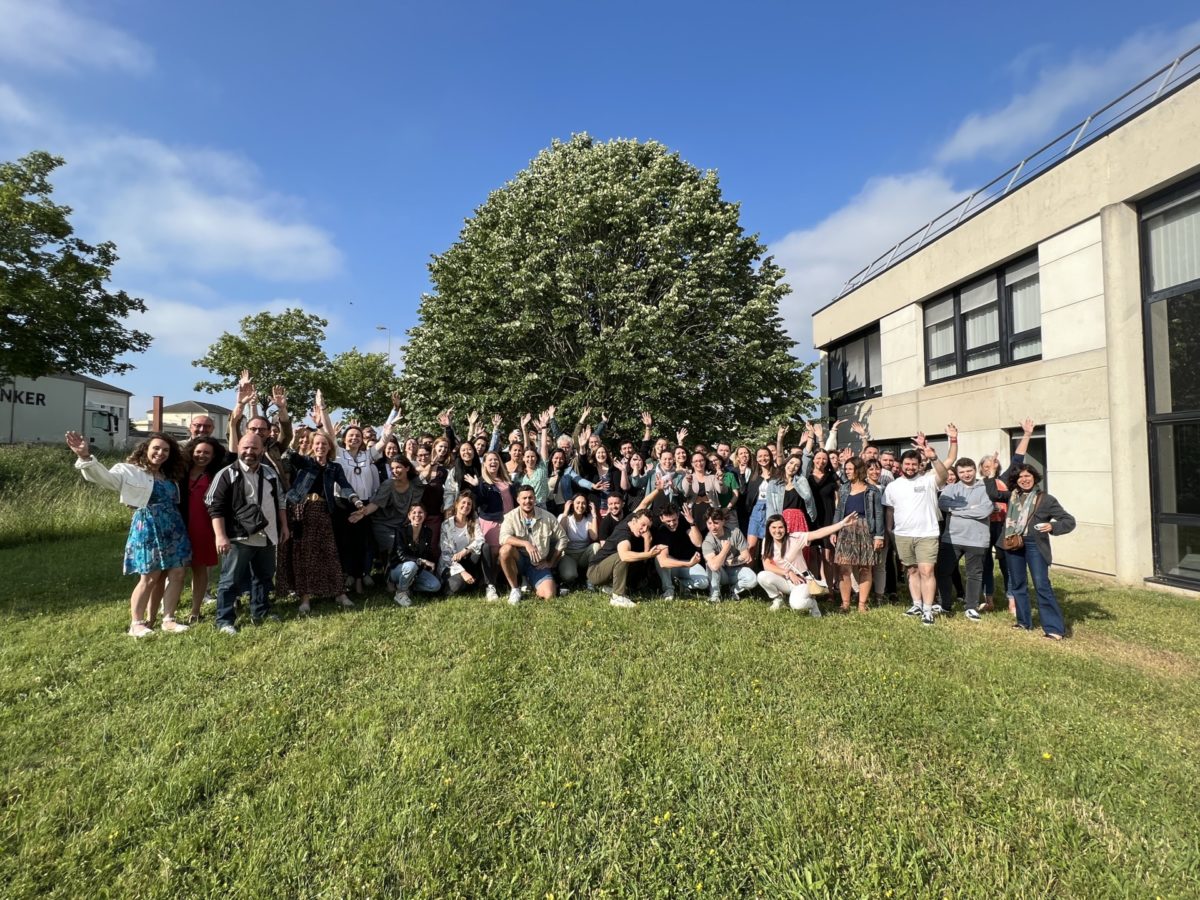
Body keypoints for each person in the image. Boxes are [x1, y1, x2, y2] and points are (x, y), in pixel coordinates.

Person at [67, 430, 192, 637]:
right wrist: (84, 457)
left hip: (173, 526)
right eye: (156, 448)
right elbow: (105, 479)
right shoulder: (129, 470)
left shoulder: (169, 474)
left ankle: (168, 619)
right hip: (148, 526)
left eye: (165, 450)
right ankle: (137, 623)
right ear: (146, 449)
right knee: (149, 576)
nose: (160, 453)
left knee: (177, 573)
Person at [999, 419, 1076, 639]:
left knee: (1041, 584)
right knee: (1018, 584)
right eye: (1021, 476)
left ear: (1035, 478)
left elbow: (1069, 521)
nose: (1024, 479)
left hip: (1034, 545)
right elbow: (1011, 468)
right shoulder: (1010, 495)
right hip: (1013, 543)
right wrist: (1026, 436)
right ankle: (1024, 622)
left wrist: (1052, 526)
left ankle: (1053, 629)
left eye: (1028, 476)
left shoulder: (1046, 499)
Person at [206, 432, 289, 635]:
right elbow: (214, 505)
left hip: (268, 534)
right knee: (230, 580)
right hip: (238, 537)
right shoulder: (226, 474)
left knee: (264, 576)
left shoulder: (269, 473)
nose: (249, 452)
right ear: (238, 448)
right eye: (245, 447)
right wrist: (221, 536)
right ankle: (224, 620)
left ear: (261, 450)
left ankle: (260, 611)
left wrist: (284, 526)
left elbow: (280, 501)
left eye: (254, 448)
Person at [279, 430, 361, 615]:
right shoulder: (305, 462)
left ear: (329, 447)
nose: (320, 447)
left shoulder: (335, 467)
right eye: (317, 443)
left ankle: (339, 593)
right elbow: (287, 456)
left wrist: (355, 500)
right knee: (304, 554)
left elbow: (345, 485)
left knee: (329, 552)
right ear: (311, 445)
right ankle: (305, 598)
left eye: (324, 444)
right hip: (301, 511)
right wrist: (293, 439)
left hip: (323, 511)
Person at [882, 427, 956, 627]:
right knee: (911, 571)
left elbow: (944, 471)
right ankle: (916, 604)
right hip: (903, 535)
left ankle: (927, 609)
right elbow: (889, 510)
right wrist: (890, 530)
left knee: (927, 571)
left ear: (919, 465)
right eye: (907, 464)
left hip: (927, 534)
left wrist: (934, 457)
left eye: (914, 464)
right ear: (901, 465)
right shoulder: (892, 486)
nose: (910, 467)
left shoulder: (930, 480)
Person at [757, 512, 859, 613]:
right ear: (768, 529)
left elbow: (818, 533)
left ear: (785, 528)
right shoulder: (767, 541)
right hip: (784, 579)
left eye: (780, 527)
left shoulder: (795, 538)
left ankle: (812, 604)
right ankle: (778, 599)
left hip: (801, 580)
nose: (777, 531)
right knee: (762, 576)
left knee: (796, 605)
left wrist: (841, 524)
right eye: (773, 528)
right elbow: (767, 565)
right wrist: (788, 573)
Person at [935, 456, 994, 621]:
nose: (966, 474)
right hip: (952, 538)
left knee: (974, 574)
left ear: (975, 470)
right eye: (962, 472)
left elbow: (985, 511)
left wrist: (958, 510)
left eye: (969, 471)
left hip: (977, 538)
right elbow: (943, 504)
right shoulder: (951, 488)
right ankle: (944, 604)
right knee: (943, 571)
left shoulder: (986, 487)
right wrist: (971, 508)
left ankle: (971, 607)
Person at [498, 484, 568, 604]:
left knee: (550, 595)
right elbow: (503, 538)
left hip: (538, 564)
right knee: (505, 550)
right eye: (524, 498)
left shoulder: (548, 517)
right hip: (518, 561)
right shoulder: (510, 517)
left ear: (535, 499)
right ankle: (515, 589)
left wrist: (551, 562)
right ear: (518, 500)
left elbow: (563, 538)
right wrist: (525, 543)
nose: (527, 501)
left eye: (530, 498)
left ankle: (531, 582)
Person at [179, 436, 223, 624]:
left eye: (206, 453)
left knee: (200, 569)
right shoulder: (179, 473)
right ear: (191, 452)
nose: (202, 456)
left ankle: (195, 610)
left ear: (213, 456)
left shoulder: (216, 476)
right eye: (198, 452)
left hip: (203, 528)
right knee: (175, 571)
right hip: (178, 526)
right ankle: (167, 610)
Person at [833, 456, 885, 613]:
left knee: (865, 568)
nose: (847, 472)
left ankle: (862, 604)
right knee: (844, 568)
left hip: (865, 529)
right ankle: (845, 603)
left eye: (850, 469)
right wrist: (834, 529)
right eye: (846, 469)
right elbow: (838, 510)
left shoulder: (872, 490)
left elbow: (878, 513)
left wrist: (879, 536)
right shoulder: (843, 488)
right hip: (846, 528)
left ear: (858, 470)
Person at [587, 509, 663, 608]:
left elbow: (644, 503)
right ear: (634, 520)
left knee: (636, 559)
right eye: (643, 525)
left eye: (648, 527)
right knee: (623, 556)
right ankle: (617, 597)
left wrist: (647, 539)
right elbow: (624, 556)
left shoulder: (631, 520)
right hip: (595, 572)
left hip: (606, 570)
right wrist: (649, 554)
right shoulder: (624, 534)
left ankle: (610, 586)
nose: (645, 530)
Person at [353, 454, 422, 561]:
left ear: (407, 468)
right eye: (392, 468)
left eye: (398, 467)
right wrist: (363, 512)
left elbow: (413, 508)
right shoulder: (388, 484)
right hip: (383, 524)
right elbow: (376, 504)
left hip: (402, 525)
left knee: (408, 550)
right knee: (393, 552)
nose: (395, 471)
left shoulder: (415, 486)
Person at [440, 492, 492, 598]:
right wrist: (463, 572)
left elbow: (480, 539)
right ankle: (457, 584)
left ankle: (489, 586)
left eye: (469, 504)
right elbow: (446, 554)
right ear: (456, 504)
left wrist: (466, 550)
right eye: (463, 503)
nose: (466, 506)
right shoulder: (446, 525)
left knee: (485, 547)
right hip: (451, 563)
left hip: (468, 559)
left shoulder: (473, 521)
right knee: (457, 585)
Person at [388, 505, 442, 606]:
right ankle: (400, 593)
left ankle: (407, 585)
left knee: (435, 586)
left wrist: (428, 565)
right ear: (409, 516)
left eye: (420, 512)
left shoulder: (427, 532)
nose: (417, 515)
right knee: (411, 565)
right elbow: (402, 556)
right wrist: (421, 561)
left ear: (425, 516)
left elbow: (426, 553)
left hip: (417, 570)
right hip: (398, 569)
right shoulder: (401, 531)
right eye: (414, 513)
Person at [652, 505, 707, 599]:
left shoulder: (684, 522)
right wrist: (688, 564)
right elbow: (663, 561)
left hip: (688, 563)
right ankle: (669, 590)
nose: (672, 523)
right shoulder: (660, 530)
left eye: (674, 520)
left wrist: (692, 523)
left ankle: (681, 585)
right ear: (661, 519)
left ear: (678, 515)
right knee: (659, 559)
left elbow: (698, 543)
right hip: (673, 566)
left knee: (704, 583)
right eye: (668, 521)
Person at [702, 508, 757, 602]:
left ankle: (732, 591)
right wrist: (725, 550)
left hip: (734, 570)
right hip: (719, 573)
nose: (713, 527)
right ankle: (714, 595)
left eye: (716, 523)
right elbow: (714, 566)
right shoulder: (707, 541)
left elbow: (746, 556)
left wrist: (731, 562)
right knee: (712, 564)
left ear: (723, 521)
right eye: (709, 523)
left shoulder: (735, 533)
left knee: (752, 578)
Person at [557, 493, 599, 589]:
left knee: (596, 546)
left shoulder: (588, 518)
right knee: (569, 575)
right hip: (568, 554)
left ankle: (591, 578)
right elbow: (561, 534)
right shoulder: (564, 517)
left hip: (583, 554)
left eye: (583, 503)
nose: (580, 506)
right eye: (578, 503)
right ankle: (573, 576)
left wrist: (594, 516)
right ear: (572, 504)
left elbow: (594, 536)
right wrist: (565, 512)